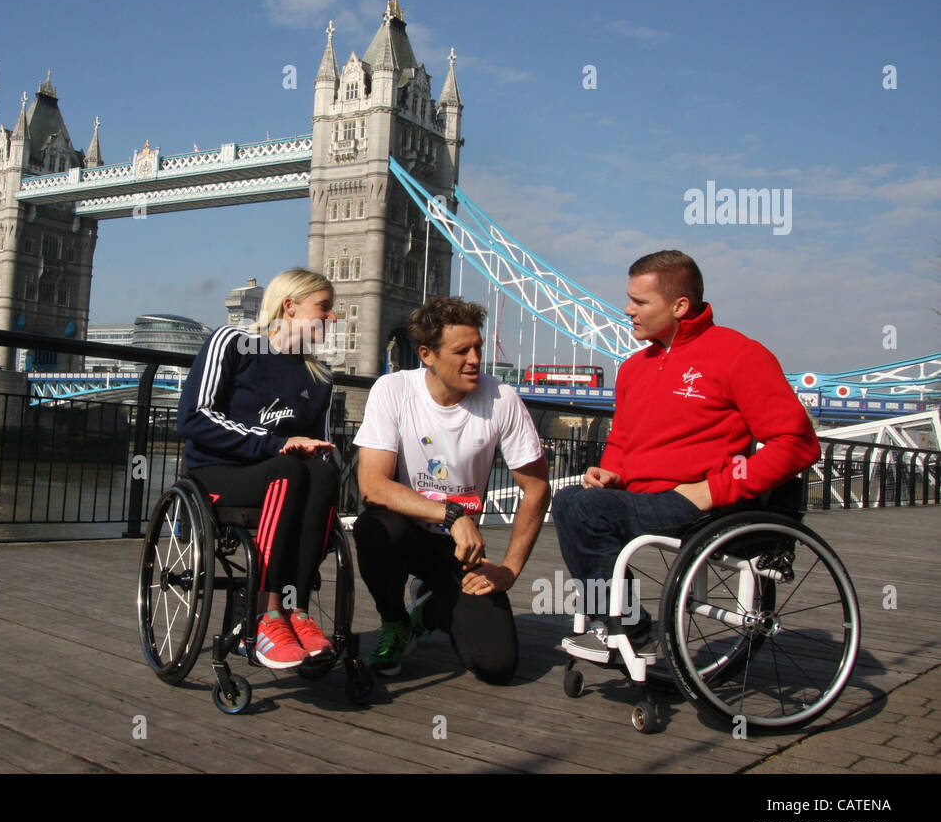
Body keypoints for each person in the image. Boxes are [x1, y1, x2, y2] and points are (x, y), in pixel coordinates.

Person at [554, 250, 821, 653]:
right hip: (641, 497)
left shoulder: (739, 355)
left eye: (640, 302)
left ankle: (620, 625)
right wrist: (610, 474)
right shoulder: (633, 368)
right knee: (571, 498)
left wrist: (712, 490)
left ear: (679, 306)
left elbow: (797, 445)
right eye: (629, 299)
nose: (627, 310)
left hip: (700, 503)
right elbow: (622, 442)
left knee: (589, 510)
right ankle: (622, 621)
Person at [352, 296, 551, 683]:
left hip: (459, 550)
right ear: (427, 354)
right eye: (462, 351)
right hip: (406, 530)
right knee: (373, 528)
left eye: (477, 347)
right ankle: (394, 621)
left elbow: (537, 488)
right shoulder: (392, 390)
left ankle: (429, 610)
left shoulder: (502, 399)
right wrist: (452, 514)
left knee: (496, 666)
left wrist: (509, 569)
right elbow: (372, 486)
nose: (475, 359)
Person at [177, 268, 341, 670]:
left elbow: (318, 449)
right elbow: (194, 417)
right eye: (324, 307)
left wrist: (315, 456)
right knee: (287, 469)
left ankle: (296, 611)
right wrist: (275, 443)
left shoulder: (319, 378)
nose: (333, 318)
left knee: (322, 472)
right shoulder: (233, 343)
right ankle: (264, 614)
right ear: (290, 306)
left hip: (282, 478)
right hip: (217, 475)